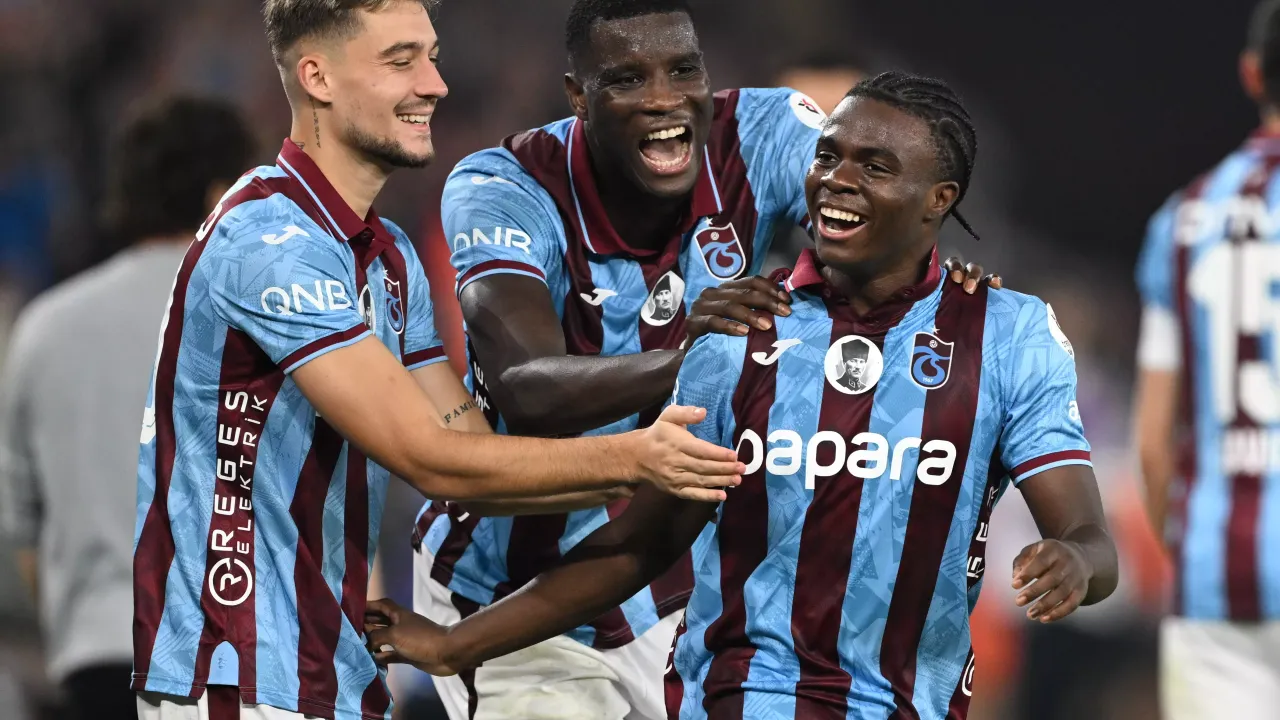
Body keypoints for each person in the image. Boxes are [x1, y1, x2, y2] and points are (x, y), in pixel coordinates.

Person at [375, 71, 1118, 719]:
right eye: (827, 156)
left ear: (938, 200)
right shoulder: (741, 335)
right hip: (741, 697)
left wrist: (1075, 564)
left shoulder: (1009, 337)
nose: (837, 179)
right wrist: (453, 645)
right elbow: (640, 545)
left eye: (875, 166)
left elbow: (1091, 539)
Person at [129, 2, 744, 719]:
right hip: (234, 665)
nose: (435, 84)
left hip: (328, 667)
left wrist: (674, 466)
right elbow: (430, 459)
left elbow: (478, 466)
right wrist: (640, 456)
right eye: (401, 61)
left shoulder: (389, 258)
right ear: (318, 78)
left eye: (432, 56)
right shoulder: (268, 240)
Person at [0, 96, 255, 720]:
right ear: (221, 194)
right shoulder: (261, 323)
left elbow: (24, 535)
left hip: (95, 660)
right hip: (231, 665)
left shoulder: (43, 328)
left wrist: (82, 624)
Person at [1134, 1, 1280, 716]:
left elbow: (1153, 443)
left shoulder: (1182, 218)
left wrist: (1196, 555)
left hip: (1214, 587)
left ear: (1251, 75)